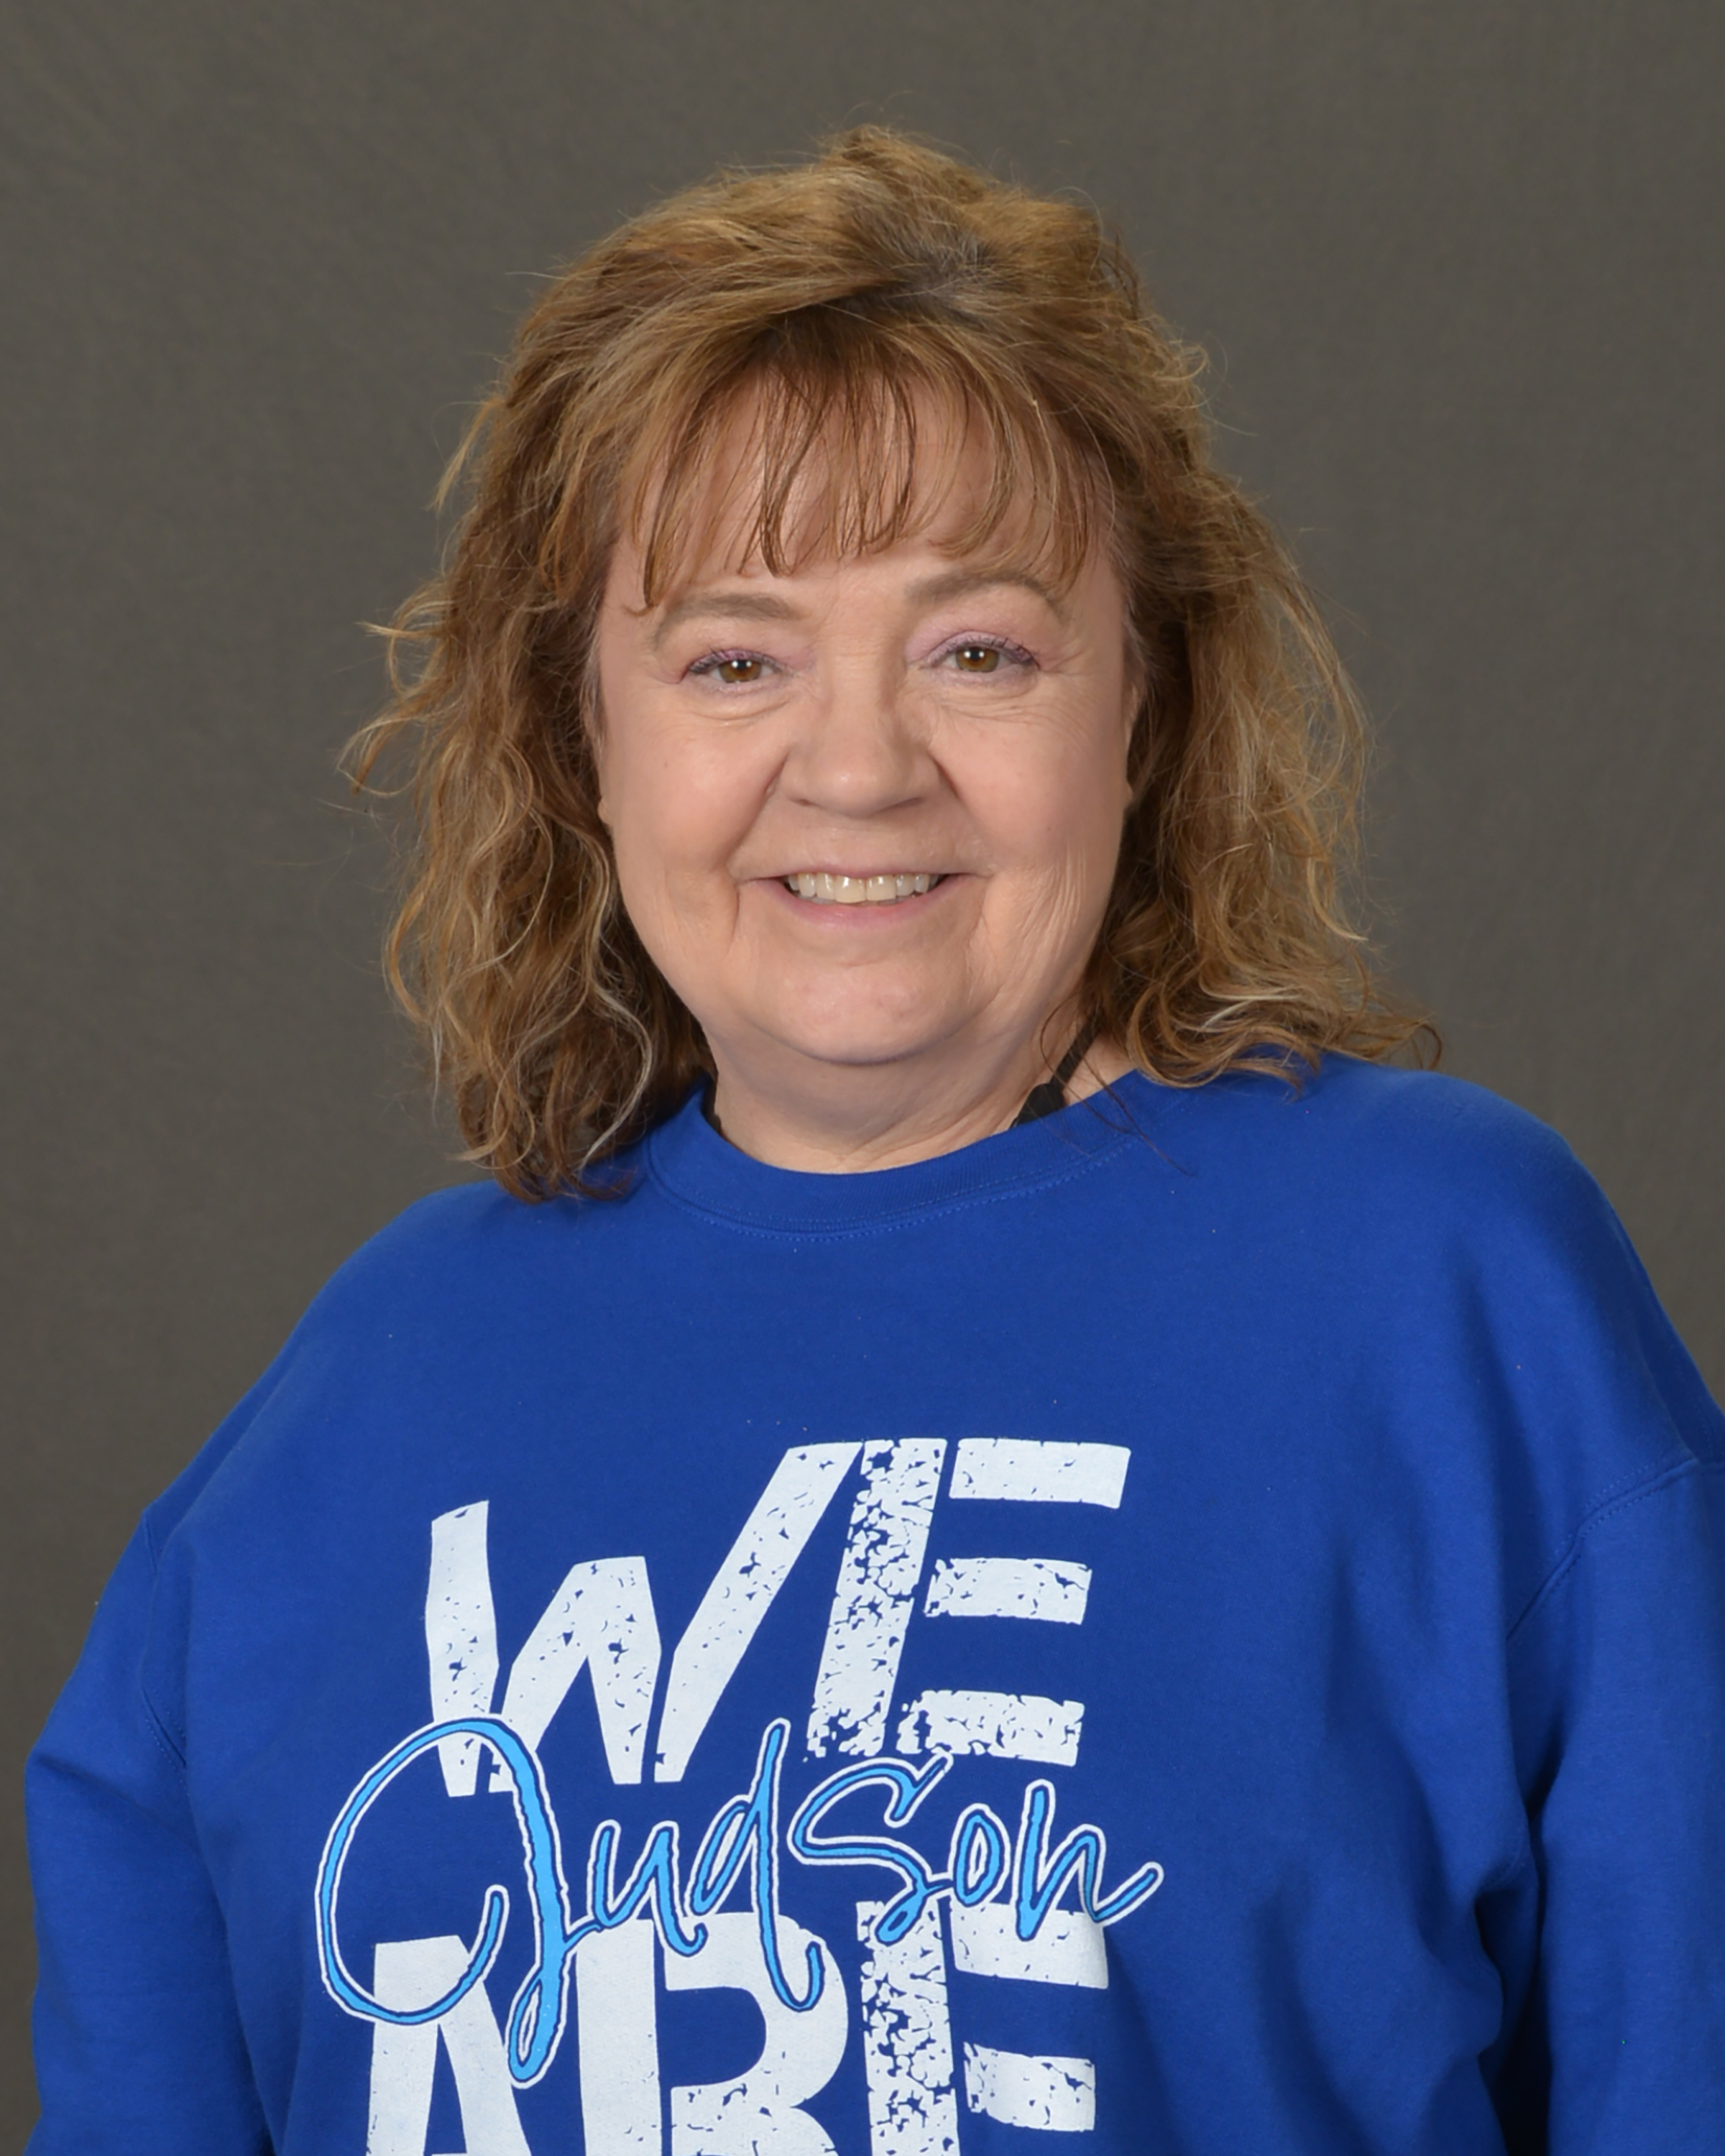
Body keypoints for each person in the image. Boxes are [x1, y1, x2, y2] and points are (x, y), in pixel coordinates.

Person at [24, 126, 1725, 2156]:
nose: (855, 768)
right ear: (584, 735)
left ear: (1141, 709)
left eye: (977, 650)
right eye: (733, 658)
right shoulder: (350, 1411)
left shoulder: (1448, 1292)